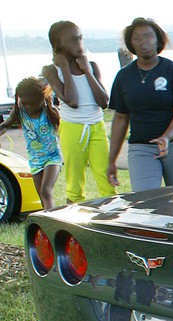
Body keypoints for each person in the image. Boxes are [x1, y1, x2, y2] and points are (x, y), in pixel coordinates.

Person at [107, 17, 173, 192]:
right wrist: (112, 160)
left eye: (149, 36)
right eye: (137, 38)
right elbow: (120, 118)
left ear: (158, 40)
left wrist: (166, 137)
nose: (143, 42)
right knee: (145, 202)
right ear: (130, 43)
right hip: (141, 148)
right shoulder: (124, 76)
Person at [42, 20, 115, 204]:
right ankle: (73, 226)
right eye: (73, 40)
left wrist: (87, 71)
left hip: (97, 127)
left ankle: (111, 220)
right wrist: (65, 68)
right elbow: (72, 100)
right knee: (75, 185)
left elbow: (104, 102)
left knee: (106, 180)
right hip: (72, 129)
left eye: (80, 38)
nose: (79, 44)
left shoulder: (92, 65)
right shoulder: (51, 70)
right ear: (59, 45)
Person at [0, 77, 61, 209]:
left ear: (41, 99)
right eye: (24, 103)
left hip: (53, 157)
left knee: (46, 191)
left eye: (31, 103)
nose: (27, 107)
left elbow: (64, 131)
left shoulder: (50, 112)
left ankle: (51, 223)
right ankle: (47, 224)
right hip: (35, 160)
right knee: (41, 196)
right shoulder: (19, 112)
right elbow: (5, 126)